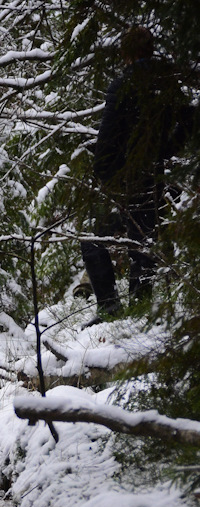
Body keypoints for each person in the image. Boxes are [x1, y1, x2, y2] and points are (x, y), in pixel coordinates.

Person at [80, 27, 188, 322]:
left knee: (91, 238)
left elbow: (108, 137)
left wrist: (104, 174)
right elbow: (188, 119)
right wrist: (165, 150)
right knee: (143, 245)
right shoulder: (167, 84)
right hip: (153, 175)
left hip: (123, 178)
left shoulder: (123, 85)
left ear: (126, 54)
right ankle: (141, 315)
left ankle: (111, 310)